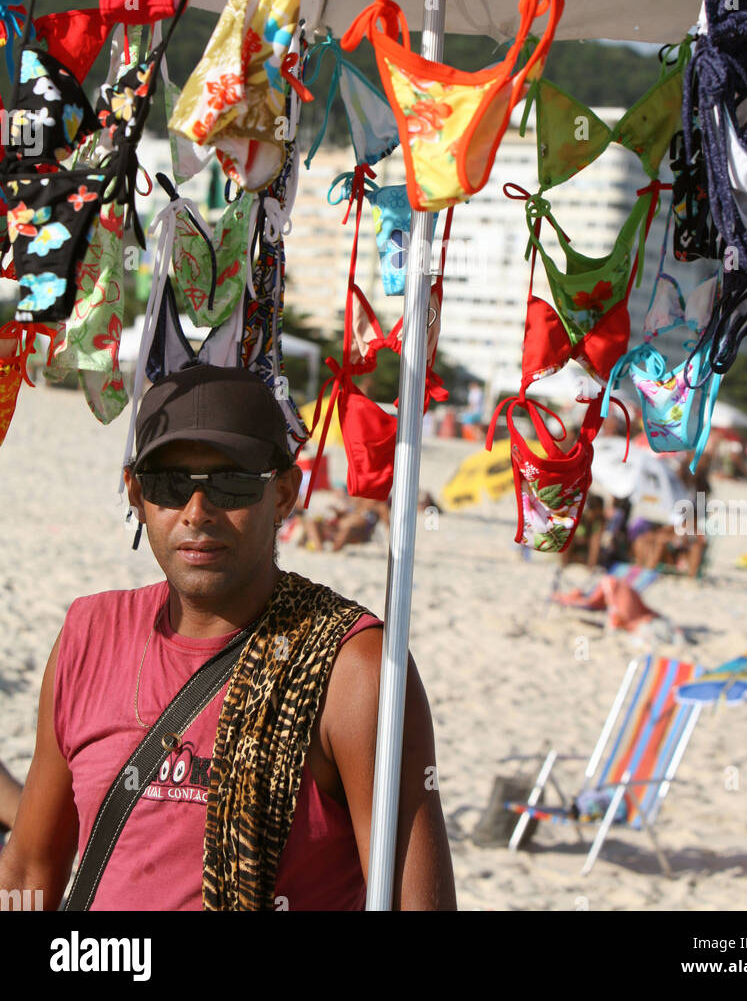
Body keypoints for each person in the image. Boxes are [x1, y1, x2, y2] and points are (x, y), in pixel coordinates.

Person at [0, 365, 456, 912]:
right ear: (137, 493)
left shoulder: (354, 668)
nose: (197, 512)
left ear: (285, 493)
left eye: (232, 482)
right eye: (170, 484)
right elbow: (31, 865)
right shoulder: (87, 635)